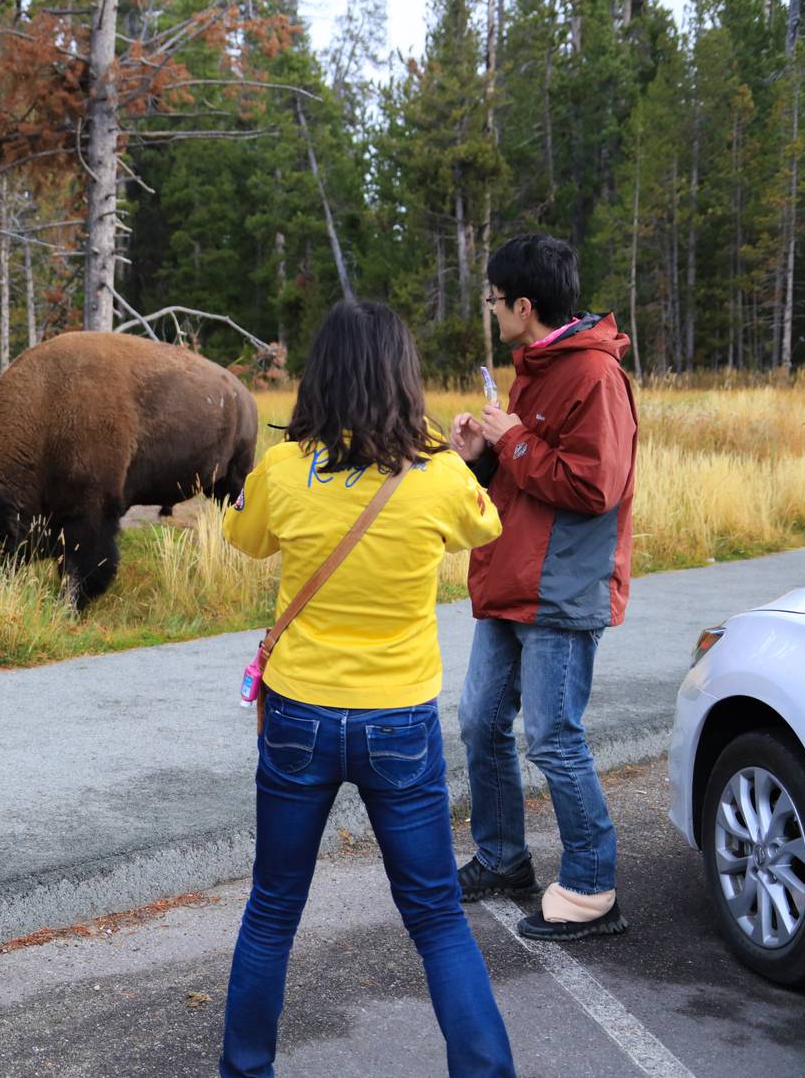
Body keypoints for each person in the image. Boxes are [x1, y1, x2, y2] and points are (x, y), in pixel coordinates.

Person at [220, 300, 514, 1078]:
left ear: (322, 376)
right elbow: (485, 526)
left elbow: (241, 536)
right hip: (399, 722)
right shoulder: (441, 476)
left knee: (273, 911)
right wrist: (474, 453)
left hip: (297, 716)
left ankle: (244, 1070)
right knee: (437, 918)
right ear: (402, 377)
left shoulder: (285, 470)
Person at [449, 234, 637, 941]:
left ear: (524, 306)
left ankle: (593, 888)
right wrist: (483, 456)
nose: (492, 312)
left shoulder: (593, 375)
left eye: (496, 300)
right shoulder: (536, 366)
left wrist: (516, 438)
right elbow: (526, 479)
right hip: (512, 577)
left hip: (562, 586)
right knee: (480, 721)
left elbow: (595, 485)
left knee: (555, 738)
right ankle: (503, 858)